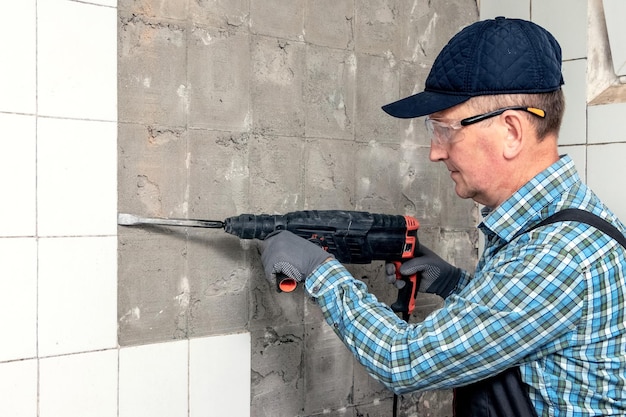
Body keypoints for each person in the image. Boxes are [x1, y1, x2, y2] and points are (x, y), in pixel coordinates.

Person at [260, 17, 626, 416]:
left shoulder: (557, 256)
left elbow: (403, 361)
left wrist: (319, 271)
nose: (435, 151)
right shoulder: (561, 225)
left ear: (512, 132)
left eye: (446, 129)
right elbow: (524, 331)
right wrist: (455, 284)